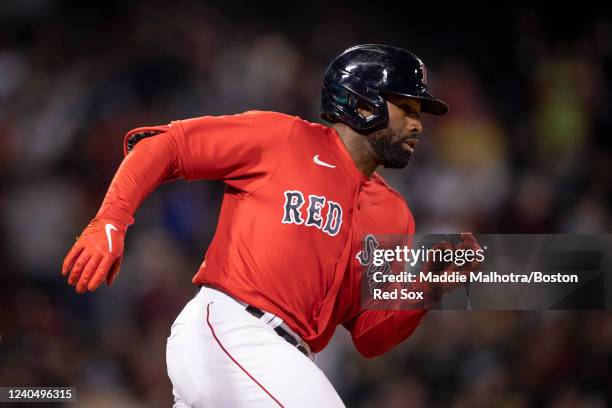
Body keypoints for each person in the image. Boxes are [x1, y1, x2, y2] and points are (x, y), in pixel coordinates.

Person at [61, 44, 480, 407]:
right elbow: (165, 145)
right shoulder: (283, 139)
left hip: (282, 361)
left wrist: (427, 289)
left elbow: (369, 337)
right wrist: (111, 219)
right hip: (232, 329)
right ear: (363, 102)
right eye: (406, 107)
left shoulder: (393, 212)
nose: (418, 123)